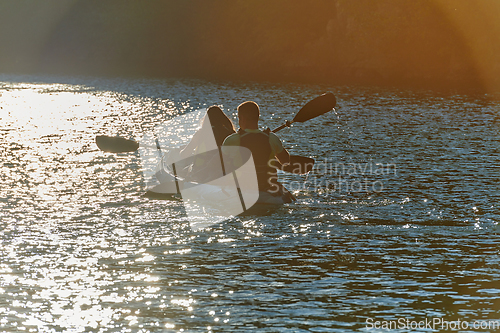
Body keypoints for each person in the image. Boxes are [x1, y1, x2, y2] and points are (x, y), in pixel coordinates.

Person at [222, 101, 292, 200]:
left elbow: (220, 167)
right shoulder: (271, 138)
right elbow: (286, 161)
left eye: (239, 118)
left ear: (242, 118)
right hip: (268, 191)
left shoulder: (231, 140)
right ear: (258, 117)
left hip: (242, 191)